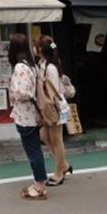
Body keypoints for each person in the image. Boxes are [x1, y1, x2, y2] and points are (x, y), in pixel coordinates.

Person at [8, 33, 47, 201]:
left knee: (33, 151)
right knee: (35, 149)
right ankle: (39, 182)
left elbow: (24, 92)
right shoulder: (32, 66)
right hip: (33, 114)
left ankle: (39, 185)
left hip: (25, 115)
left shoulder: (20, 67)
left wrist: (13, 93)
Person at [35, 35, 73, 187]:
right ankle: (63, 165)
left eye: (36, 46)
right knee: (44, 136)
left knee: (56, 140)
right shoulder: (44, 63)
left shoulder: (50, 67)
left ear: (40, 49)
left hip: (53, 106)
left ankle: (59, 174)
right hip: (50, 106)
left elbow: (53, 90)